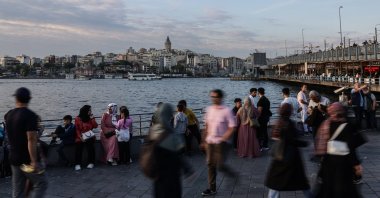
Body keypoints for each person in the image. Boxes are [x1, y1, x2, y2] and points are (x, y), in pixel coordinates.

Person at [5, 87, 48, 197]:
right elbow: (31, 139)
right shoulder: (30, 115)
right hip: (26, 159)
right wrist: (33, 160)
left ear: (16, 98)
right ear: (29, 99)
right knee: (41, 183)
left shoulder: (9, 115)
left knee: (18, 190)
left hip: (14, 158)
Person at [314, 102, 363, 197]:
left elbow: (320, 143)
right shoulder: (346, 125)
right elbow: (350, 148)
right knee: (345, 189)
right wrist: (356, 165)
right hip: (343, 163)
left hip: (328, 162)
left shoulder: (326, 124)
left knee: (327, 189)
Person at [265, 103, 310, 198]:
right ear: (289, 112)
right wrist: (305, 144)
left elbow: (274, 136)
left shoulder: (279, 122)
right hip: (291, 158)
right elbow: (292, 140)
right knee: (301, 183)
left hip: (279, 157)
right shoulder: (288, 124)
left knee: (275, 183)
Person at [150, 103, 193, 198]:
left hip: (159, 177)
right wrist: (187, 169)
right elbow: (178, 155)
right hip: (172, 176)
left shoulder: (154, 131)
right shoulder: (169, 133)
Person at [201, 89, 237, 196]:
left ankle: (232, 175)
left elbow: (232, 127)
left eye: (215, 97)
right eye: (212, 97)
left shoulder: (226, 110)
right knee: (210, 165)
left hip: (221, 142)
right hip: (210, 142)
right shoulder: (209, 109)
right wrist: (203, 140)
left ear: (220, 98)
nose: (213, 99)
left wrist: (223, 139)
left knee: (220, 166)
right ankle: (212, 189)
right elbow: (206, 125)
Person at [74, 105, 98, 171]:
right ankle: (77, 164)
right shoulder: (77, 118)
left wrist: (92, 118)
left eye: (90, 110)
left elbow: (95, 126)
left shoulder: (90, 118)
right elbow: (77, 129)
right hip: (80, 135)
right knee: (78, 147)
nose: (90, 111)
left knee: (90, 146)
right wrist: (80, 137)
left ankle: (91, 162)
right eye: (89, 110)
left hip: (89, 135)